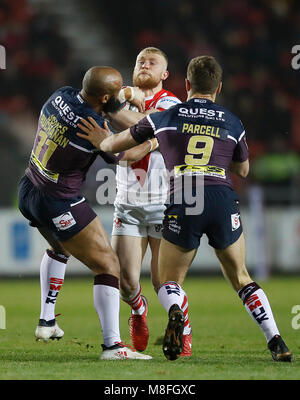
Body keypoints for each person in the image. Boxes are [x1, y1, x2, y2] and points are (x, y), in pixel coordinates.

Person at [77, 56, 292, 363]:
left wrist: (104, 140)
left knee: (168, 281)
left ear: (186, 84)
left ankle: (177, 315)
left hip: (183, 199)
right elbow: (243, 170)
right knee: (241, 277)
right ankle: (276, 340)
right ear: (218, 88)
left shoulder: (169, 113)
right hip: (220, 197)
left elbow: (117, 145)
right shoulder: (231, 120)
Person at [17, 65, 154, 360]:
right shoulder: (91, 125)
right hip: (58, 200)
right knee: (108, 265)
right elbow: (125, 155)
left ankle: (47, 320)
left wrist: (118, 101)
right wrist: (153, 143)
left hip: (29, 186)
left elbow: (105, 110)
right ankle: (113, 347)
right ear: (106, 97)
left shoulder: (60, 95)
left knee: (58, 248)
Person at [106, 47, 192, 356]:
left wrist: (143, 137)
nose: (144, 64)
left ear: (164, 75)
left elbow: (147, 128)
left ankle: (185, 329)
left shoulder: (170, 102)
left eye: (152, 62)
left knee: (163, 281)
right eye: (140, 60)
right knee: (126, 283)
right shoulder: (119, 102)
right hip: (127, 203)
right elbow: (128, 145)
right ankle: (138, 312)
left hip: (163, 203)